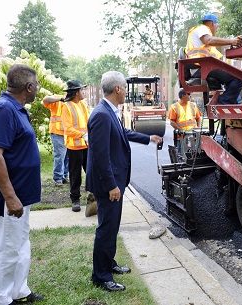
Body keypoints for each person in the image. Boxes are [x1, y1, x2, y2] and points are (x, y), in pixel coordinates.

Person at [86, 71, 162, 291]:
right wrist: (111, 185)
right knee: (106, 229)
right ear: (117, 89)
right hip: (108, 183)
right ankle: (101, 276)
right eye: (125, 87)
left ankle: (108, 264)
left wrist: (147, 138)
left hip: (113, 180)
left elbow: (122, 132)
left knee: (112, 226)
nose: (127, 91)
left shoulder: (110, 111)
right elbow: (100, 155)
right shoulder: (101, 114)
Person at [0, 64, 45, 305]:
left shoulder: (15, 109)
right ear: (29, 87)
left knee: (18, 244)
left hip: (19, 195)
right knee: (6, 249)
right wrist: (10, 197)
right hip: (7, 199)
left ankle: (18, 292)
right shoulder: (4, 110)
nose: (37, 89)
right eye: (36, 85)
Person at [186, 13, 242, 104]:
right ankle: (223, 103)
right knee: (240, 77)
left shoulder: (205, 45)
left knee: (232, 79)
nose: (216, 29)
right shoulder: (203, 28)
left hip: (202, 68)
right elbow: (209, 40)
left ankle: (231, 104)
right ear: (213, 24)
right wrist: (231, 41)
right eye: (217, 26)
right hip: (203, 69)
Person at [61, 80, 90, 212]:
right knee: (75, 175)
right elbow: (68, 129)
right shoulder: (66, 106)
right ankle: (75, 199)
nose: (84, 92)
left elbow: (88, 123)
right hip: (74, 147)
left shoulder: (83, 105)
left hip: (86, 145)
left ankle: (94, 196)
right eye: (82, 90)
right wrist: (82, 135)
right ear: (76, 92)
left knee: (91, 172)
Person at [42, 94, 69, 187]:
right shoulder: (59, 98)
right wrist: (60, 99)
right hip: (58, 132)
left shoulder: (75, 102)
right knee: (60, 156)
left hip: (69, 134)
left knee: (67, 157)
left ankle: (65, 176)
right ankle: (58, 178)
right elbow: (45, 99)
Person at [168, 88, 202, 155]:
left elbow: (199, 118)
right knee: (181, 156)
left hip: (192, 136)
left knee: (193, 156)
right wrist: (181, 131)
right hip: (181, 137)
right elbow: (172, 122)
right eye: (188, 94)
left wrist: (198, 129)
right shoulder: (174, 107)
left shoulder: (193, 105)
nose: (190, 96)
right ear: (183, 96)